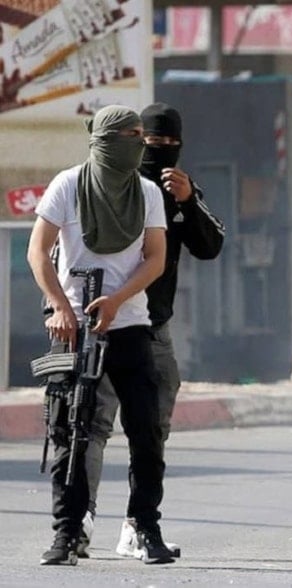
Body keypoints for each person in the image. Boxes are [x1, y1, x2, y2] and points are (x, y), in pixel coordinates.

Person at [27, 105, 174, 565]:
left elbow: (155, 258)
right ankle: (67, 533)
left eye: (141, 135)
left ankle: (145, 527)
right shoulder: (68, 185)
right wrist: (60, 305)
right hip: (73, 328)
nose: (139, 143)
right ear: (105, 141)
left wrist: (116, 301)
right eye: (129, 135)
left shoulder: (147, 192)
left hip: (128, 324)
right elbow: (38, 249)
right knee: (69, 430)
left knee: (145, 431)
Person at [79, 102, 225, 559]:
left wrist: (188, 201)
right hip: (100, 323)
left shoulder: (174, 189)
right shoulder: (93, 184)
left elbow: (211, 245)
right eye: (149, 144)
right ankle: (77, 520)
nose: (157, 152)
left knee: (151, 429)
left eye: (167, 145)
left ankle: (136, 525)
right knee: (90, 424)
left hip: (152, 326)